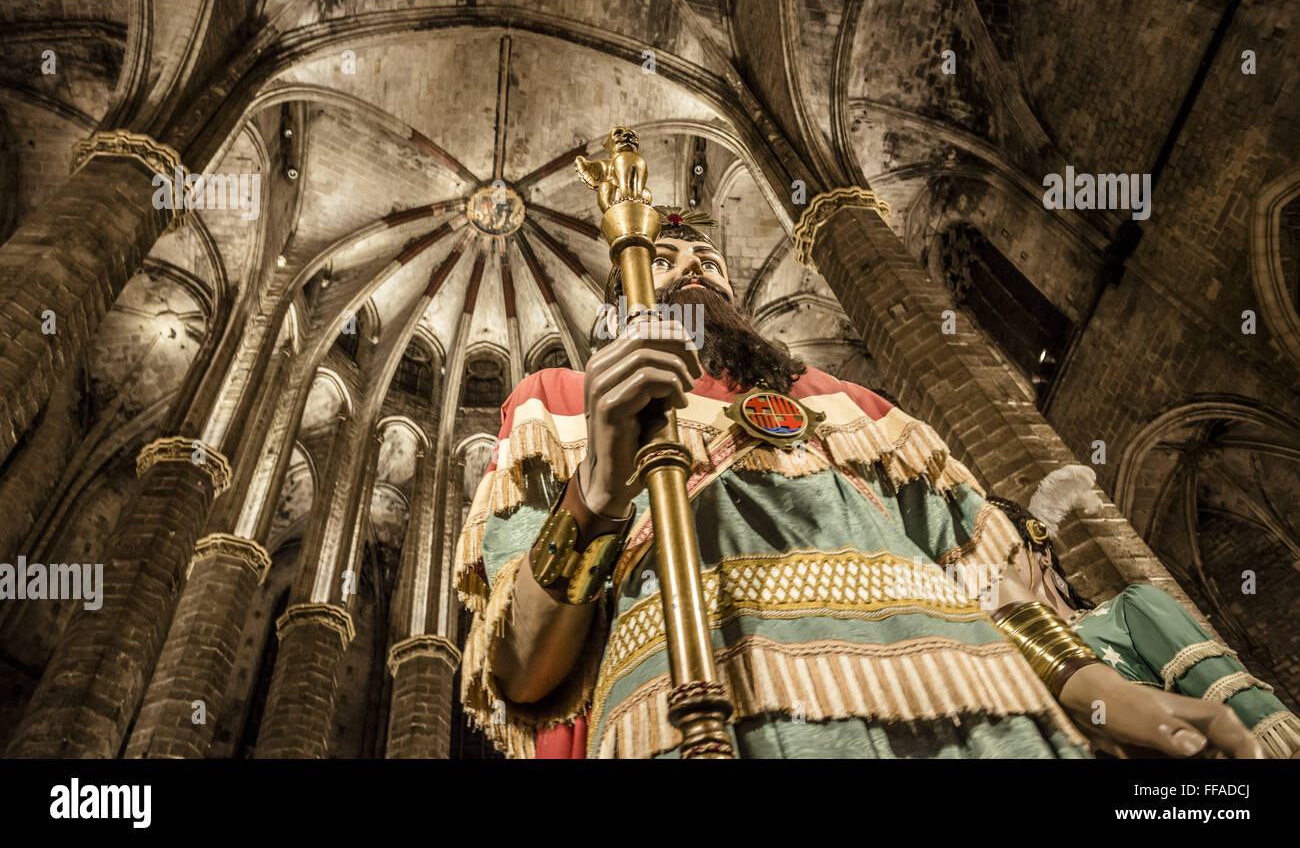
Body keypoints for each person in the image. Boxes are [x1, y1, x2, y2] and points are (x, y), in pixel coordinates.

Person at [453, 209, 1264, 759]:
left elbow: (980, 574)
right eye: (663, 262)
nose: (694, 272)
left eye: (709, 261)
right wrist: (598, 480)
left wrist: (1101, 692)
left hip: (971, 688)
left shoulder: (855, 403)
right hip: (707, 703)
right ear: (619, 301)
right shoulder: (557, 404)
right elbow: (522, 675)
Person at [986, 476, 1300, 759]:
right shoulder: (999, 673)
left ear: (1041, 553)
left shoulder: (1128, 611)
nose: (989, 569)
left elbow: (1237, 703)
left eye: (998, 550)